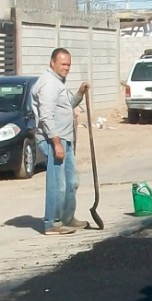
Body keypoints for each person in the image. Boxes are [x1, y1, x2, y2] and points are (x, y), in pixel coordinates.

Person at [30, 47, 89, 235]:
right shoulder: (48, 84)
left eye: (68, 65)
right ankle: (52, 223)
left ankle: (67, 218)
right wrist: (56, 143)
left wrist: (79, 93)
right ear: (52, 63)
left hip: (65, 139)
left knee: (71, 181)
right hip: (54, 140)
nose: (66, 68)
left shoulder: (59, 82)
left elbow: (68, 105)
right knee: (58, 183)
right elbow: (46, 116)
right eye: (63, 64)